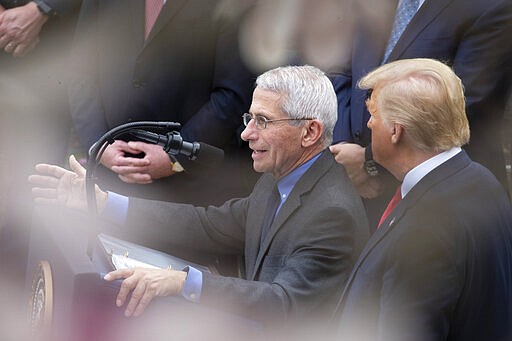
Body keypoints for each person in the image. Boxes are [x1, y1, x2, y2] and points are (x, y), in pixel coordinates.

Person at [30, 65, 369, 332]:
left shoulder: (332, 211)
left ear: (309, 132)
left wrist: (183, 282)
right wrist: (103, 203)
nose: (246, 133)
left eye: (263, 121)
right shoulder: (277, 179)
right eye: (250, 118)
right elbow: (208, 224)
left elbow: (282, 302)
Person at [332, 58, 512, 340]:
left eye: (373, 114)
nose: (368, 123)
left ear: (396, 131)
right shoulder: (482, 181)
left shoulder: (424, 230)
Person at [329, 0, 512, 229]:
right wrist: (343, 149)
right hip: (353, 190)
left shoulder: (491, 6)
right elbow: (341, 71)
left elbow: (463, 105)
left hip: (438, 206)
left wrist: (368, 159)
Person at [68, 0, 258, 207]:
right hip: (105, 176)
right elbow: (80, 69)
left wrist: (175, 156)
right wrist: (98, 143)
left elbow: (233, 93)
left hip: (185, 191)